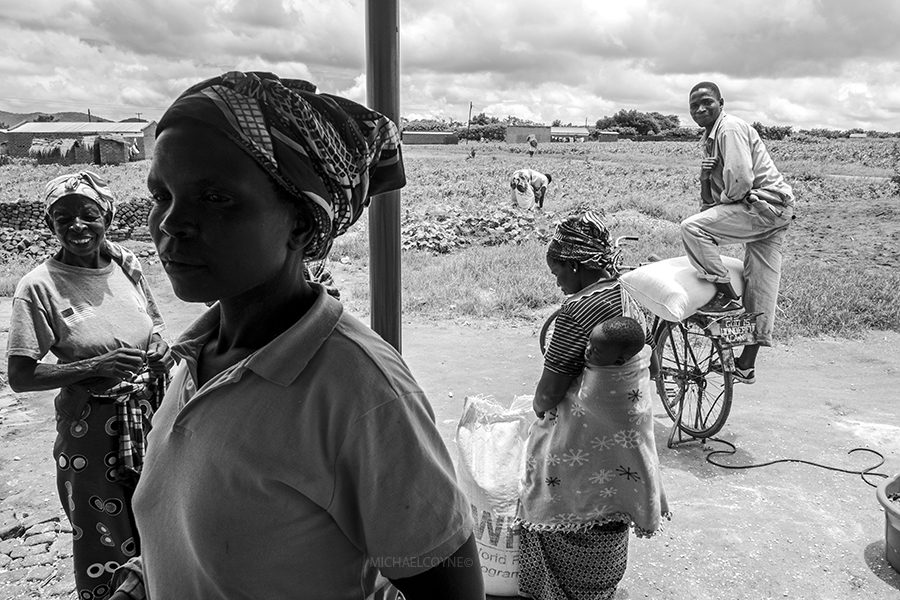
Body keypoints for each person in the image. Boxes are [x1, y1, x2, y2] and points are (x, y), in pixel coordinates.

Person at [108, 71, 483, 600]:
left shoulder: (360, 393)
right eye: (160, 194)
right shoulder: (197, 359)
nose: (171, 222)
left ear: (301, 226)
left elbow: (451, 592)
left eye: (215, 198)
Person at [6, 170, 173, 599]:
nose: (77, 226)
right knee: (107, 539)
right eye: (63, 218)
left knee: (162, 523)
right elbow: (21, 376)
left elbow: (154, 326)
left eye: (88, 215)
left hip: (151, 417)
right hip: (92, 434)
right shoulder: (37, 287)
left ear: (108, 217)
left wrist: (159, 349)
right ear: (50, 225)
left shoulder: (126, 265)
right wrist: (97, 365)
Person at [518, 212, 667, 600]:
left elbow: (549, 393)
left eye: (558, 272)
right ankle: (600, 585)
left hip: (585, 444)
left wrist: (535, 413)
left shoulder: (577, 312)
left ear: (575, 264)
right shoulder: (631, 295)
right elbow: (648, 364)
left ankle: (564, 589)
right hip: (627, 442)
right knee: (611, 510)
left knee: (549, 483)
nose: (557, 282)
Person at [681, 81, 795, 384]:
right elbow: (709, 203)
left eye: (707, 102)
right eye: (694, 106)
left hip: (762, 208)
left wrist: (718, 204)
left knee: (692, 228)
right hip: (776, 212)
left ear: (721, 102)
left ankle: (726, 295)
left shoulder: (728, 129)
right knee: (760, 286)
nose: (700, 109)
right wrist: (705, 178)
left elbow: (741, 182)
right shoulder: (711, 138)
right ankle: (746, 364)